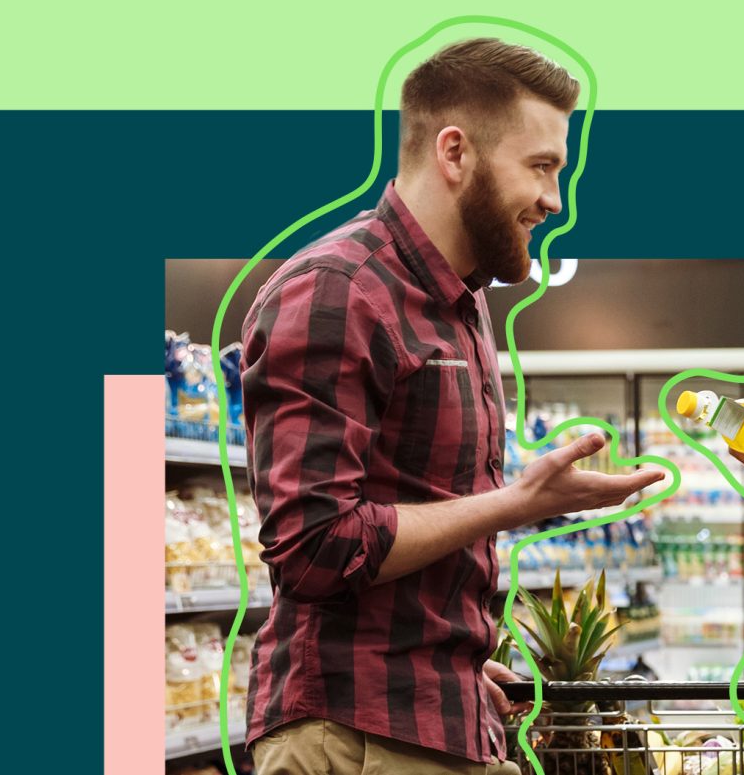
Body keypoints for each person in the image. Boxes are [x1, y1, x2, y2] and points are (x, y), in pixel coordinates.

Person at [240, 38, 664, 774]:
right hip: (356, 736)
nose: (555, 200)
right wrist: (517, 502)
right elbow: (316, 546)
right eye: (541, 166)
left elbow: (413, 524)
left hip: (430, 722)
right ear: (455, 152)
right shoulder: (339, 290)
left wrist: (454, 667)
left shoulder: (461, 304)